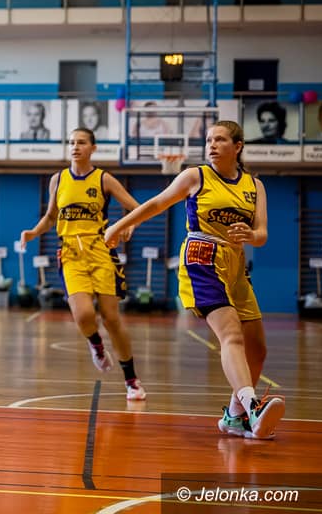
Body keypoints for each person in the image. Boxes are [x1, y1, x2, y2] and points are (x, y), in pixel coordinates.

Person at [104, 120, 285, 439]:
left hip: (235, 263)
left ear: (237, 146)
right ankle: (253, 406)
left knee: (257, 349)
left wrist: (251, 235)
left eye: (220, 139)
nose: (212, 145)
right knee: (231, 335)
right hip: (202, 256)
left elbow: (262, 234)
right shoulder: (196, 176)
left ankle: (235, 417)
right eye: (209, 140)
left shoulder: (254, 186)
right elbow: (156, 203)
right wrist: (118, 226)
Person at [19, 128, 147, 400]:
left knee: (111, 319)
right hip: (71, 254)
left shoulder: (104, 179)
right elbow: (51, 216)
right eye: (72, 142)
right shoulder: (58, 179)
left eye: (81, 142)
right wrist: (33, 232)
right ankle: (96, 345)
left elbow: (138, 209)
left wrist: (130, 224)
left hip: (101, 252)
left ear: (93, 148)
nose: (75, 147)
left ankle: (131, 379)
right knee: (84, 315)